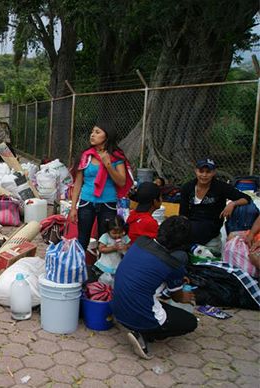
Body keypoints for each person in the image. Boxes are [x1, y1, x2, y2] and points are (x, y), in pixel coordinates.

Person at [111, 216, 197, 359]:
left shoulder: (140, 242)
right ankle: (145, 332)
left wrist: (176, 280)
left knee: (148, 295)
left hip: (117, 308)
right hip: (137, 314)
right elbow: (177, 297)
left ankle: (142, 327)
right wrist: (185, 296)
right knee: (190, 322)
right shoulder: (173, 265)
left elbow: (148, 272)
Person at [69, 120, 133, 250]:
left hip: (108, 203)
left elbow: (121, 181)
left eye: (97, 132)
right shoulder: (86, 156)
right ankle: (80, 268)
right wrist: (73, 207)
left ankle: (100, 268)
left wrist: (108, 165)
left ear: (107, 136)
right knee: (82, 238)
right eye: (92, 132)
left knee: (105, 239)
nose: (92, 135)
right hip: (86, 202)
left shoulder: (116, 157)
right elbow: (78, 184)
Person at [179, 158, 250, 247]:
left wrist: (232, 203)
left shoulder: (221, 187)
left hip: (211, 223)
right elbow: (183, 213)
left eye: (208, 172)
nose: (204, 175)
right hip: (191, 222)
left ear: (213, 172)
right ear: (196, 171)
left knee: (192, 232)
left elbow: (246, 198)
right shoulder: (187, 187)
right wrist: (181, 226)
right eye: (201, 171)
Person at [94, 216, 130, 282]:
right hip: (106, 264)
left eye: (120, 232)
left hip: (118, 264)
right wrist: (113, 248)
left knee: (117, 280)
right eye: (114, 233)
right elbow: (101, 249)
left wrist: (125, 246)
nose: (117, 235)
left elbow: (129, 246)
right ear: (108, 231)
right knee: (105, 280)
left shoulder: (124, 237)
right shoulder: (105, 237)